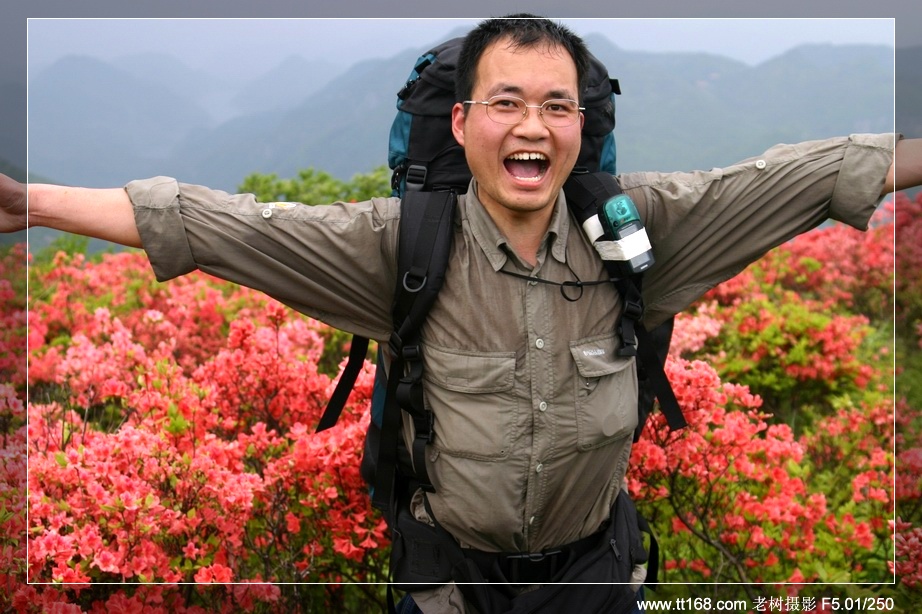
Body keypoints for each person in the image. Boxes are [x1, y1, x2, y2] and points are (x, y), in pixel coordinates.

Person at [3, 14, 921, 614]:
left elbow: (805, 175)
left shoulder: (644, 227)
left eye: (557, 106)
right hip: (449, 584)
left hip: (595, 576)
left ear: (581, 127)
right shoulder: (399, 245)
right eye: (506, 102)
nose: (533, 125)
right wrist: (33, 203)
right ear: (460, 123)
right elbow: (223, 227)